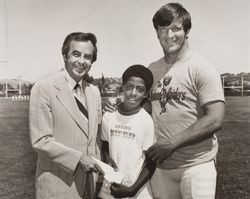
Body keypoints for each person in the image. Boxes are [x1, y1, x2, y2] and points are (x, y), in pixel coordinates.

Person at [108, 2, 225, 199]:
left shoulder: (201, 67)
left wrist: (171, 143)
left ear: (187, 31)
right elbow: (146, 106)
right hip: (161, 167)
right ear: (156, 33)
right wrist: (120, 108)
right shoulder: (152, 70)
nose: (169, 35)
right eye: (163, 29)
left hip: (196, 164)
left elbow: (215, 119)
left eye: (176, 28)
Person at [29, 32, 103, 199]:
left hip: (89, 185)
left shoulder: (94, 92)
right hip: (58, 186)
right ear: (64, 55)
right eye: (76, 54)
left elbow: (94, 138)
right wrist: (78, 159)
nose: (81, 61)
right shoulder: (44, 88)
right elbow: (41, 141)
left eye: (88, 56)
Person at [99, 64, 156, 199]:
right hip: (111, 187)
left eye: (140, 89)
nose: (133, 93)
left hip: (137, 190)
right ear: (123, 87)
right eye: (129, 87)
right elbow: (105, 145)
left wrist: (131, 190)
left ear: (146, 93)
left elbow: (151, 162)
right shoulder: (109, 116)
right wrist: (107, 159)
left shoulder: (146, 121)